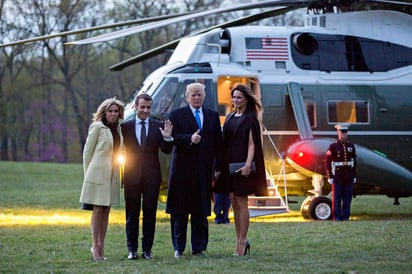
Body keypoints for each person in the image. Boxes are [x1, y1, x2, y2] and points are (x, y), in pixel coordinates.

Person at [166, 82, 222, 258]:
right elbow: (171, 137)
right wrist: (189, 138)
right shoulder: (176, 115)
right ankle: (179, 248)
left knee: (200, 212)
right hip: (182, 172)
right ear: (186, 96)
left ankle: (199, 248)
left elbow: (218, 144)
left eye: (199, 95)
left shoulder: (212, 116)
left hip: (203, 172)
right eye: (193, 95)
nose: (196, 98)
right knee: (179, 212)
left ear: (204, 96)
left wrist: (218, 167)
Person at [214, 84, 267, 256]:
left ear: (246, 99)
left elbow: (253, 144)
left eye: (239, 97)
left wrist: (247, 164)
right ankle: (239, 240)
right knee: (234, 202)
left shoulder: (251, 118)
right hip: (229, 166)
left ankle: (243, 242)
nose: (236, 100)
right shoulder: (230, 116)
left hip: (243, 166)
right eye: (234, 97)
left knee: (242, 202)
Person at [121, 94, 173, 260]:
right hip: (131, 176)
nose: (145, 110)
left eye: (148, 108)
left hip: (152, 177)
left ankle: (147, 250)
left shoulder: (158, 126)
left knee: (149, 214)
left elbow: (166, 150)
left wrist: (167, 137)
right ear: (136, 106)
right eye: (142, 107)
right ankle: (132, 250)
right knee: (132, 214)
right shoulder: (126, 127)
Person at [79, 97, 125, 261]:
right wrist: (88, 176)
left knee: (106, 210)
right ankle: (95, 247)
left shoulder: (119, 128)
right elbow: (87, 153)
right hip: (97, 174)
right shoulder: (97, 127)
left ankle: (101, 245)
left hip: (113, 174)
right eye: (110, 111)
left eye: (116, 111)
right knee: (98, 210)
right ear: (104, 112)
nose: (113, 114)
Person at [325, 124, 357, 221]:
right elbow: (328, 161)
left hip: (348, 175)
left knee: (347, 198)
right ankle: (337, 217)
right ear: (338, 133)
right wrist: (329, 175)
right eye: (342, 133)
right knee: (337, 198)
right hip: (338, 175)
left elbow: (354, 161)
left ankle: (346, 216)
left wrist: (354, 175)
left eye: (345, 133)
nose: (344, 135)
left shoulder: (351, 146)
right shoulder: (333, 146)